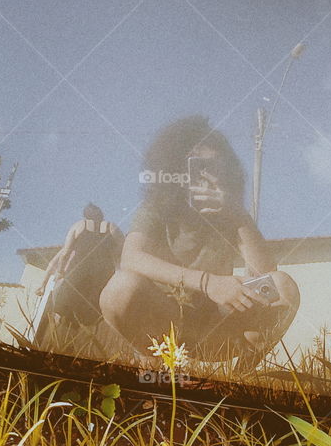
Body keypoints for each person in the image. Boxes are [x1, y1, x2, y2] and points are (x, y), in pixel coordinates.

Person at [99, 116, 300, 366]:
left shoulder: (232, 213)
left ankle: (242, 379)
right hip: (163, 322)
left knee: (282, 285)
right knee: (120, 288)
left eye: (214, 166)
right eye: (195, 165)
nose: (204, 174)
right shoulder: (157, 207)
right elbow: (131, 258)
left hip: (215, 325)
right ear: (174, 169)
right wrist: (208, 282)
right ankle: (157, 364)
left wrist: (236, 213)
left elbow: (266, 275)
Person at [38, 204, 123, 329]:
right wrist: (117, 269)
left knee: (63, 308)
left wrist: (59, 272)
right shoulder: (111, 226)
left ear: (85, 215)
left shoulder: (79, 225)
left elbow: (64, 254)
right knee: (93, 313)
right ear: (101, 215)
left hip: (79, 271)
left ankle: (62, 328)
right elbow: (123, 249)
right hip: (103, 274)